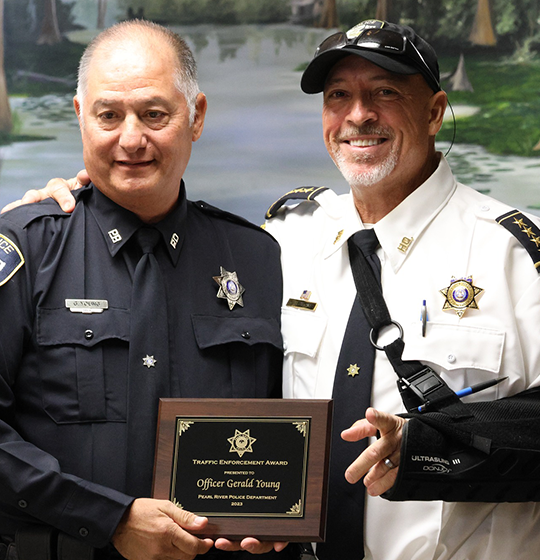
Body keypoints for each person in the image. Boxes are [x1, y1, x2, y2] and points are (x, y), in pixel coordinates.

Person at [9, 18, 540, 560]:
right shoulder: (285, 239)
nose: (359, 115)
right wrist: (60, 218)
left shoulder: (515, 254)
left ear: (433, 111)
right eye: (339, 95)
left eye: (385, 92)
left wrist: (433, 451)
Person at [0, 20, 297, 560]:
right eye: (108, 115)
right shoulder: (25, 248)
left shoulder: (256, 257)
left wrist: (279, 518)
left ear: (196, 117)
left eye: (154, 114)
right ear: (80, 117)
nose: (131, 139)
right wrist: (109, 519)